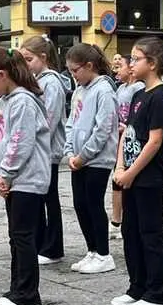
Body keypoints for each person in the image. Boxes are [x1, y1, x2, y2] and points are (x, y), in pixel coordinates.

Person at [112, 37, 163, 305]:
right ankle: (137, 285)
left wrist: (131, 172)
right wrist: (120, 167)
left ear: (151, 64)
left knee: (151, 233)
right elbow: (127, 133)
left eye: (135, 58)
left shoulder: (160, 97)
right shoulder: (139, 94)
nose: (130, 64)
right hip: (130, 175)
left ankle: (157, 293)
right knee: (131, 232)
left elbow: (154, 142)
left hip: (149, 177)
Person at [0, 47, 52, 305]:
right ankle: (17, 287)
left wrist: (6, 172)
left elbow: (21, 142)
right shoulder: (5, 102)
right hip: (15, 178)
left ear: (2, 74)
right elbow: (1, 142)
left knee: (23, 236)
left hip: (28, 178)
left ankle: (27, 293)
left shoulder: (22, 101)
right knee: (16, 236)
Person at [64, 43, 118, 275]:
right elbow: (71, 123)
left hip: (97, 159)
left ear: (89, 66)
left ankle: (104, 253)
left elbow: (103, 128)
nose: (73, 75)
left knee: (93, 203)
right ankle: (92, 250)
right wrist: (69, 152)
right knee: (80, 204)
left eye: (75, 71)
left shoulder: (104, 90)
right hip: (77, 157)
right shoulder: (79, 90)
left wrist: (84, 155)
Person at [20, 35, 68, 266]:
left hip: (47, 151)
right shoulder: (37, 80)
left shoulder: (52, 83)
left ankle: (53, 246)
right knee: (39, 199)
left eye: (28, 59)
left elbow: (49, 119)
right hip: (38, 150)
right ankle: (41, 243)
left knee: (50, 199)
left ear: (43, 57)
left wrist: (34, 143)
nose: (25, 65)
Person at [109, 55, 145, 239]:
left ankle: (122, 221)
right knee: (116, 180)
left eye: (119, 66)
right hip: (118, 139)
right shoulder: (120, 88)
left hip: (130, 140)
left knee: (125, 181)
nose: (116, 70)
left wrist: (126, 126)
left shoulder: (138, 88)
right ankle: (116, 220)